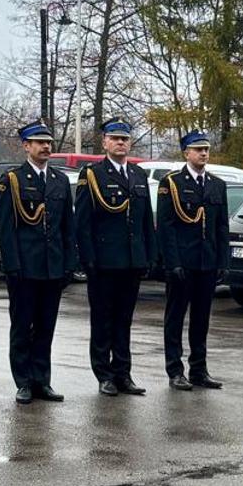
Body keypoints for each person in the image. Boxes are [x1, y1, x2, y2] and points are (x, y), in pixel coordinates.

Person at [0, 121, 77, 404]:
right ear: (26, 146)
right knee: (22, 326)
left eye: (48, 142)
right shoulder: (13, 180)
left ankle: (42, 380)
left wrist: (69, 263)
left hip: (52, 266)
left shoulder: (59, 181)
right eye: (39, 142)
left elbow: (67, 226)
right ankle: (23, 381)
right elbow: (5, 228)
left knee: (45, 327)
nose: (45, 147)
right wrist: (12, 265)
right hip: (25, 267)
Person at [76, 119, 155, 397]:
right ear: (105, 143)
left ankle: (123, 373)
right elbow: (83, 222)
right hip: (104, 260)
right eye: (115, 138)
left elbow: (146, 220)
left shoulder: (137, 175)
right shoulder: (93, 175)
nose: (120, 143)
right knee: (103, 320)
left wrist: (148, 256)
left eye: (124, 139)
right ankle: (104, 374)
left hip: (132, 260)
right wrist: (88, 259)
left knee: (124, 320)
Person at [160, 130, 229, 390]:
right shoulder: (173, 183)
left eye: (206, 149)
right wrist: (172, 262)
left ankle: (199, 369)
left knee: (201, 318)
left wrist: (222, 261)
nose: (203, 153)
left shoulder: (217, 185)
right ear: (186, 153)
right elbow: (166, 227)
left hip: (207, 262)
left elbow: (221, 227)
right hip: (183, 262)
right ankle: (175, 371)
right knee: (175, 317)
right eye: (198, 149)